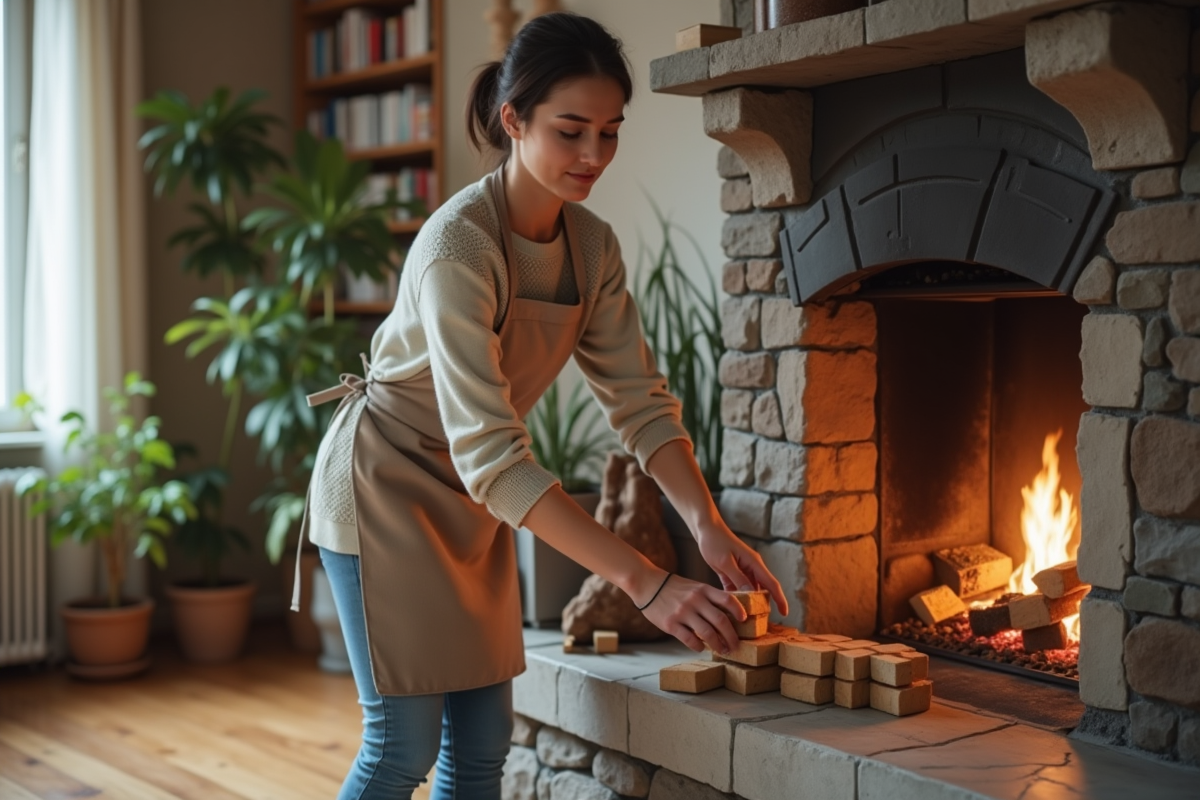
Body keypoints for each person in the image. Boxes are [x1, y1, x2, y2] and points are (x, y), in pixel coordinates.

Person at [298, 12, 788, 800]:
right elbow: (493, 456)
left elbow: (641, 404)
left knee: (484, 748)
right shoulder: (457, 248)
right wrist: (648, 583)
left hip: (476, 496)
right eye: (570, 131)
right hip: (384, 492)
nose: (594, 155)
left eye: (609, 131)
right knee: (400, 750)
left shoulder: (591, 249)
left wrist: (705, 524)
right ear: (513, 119)